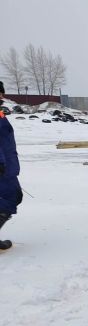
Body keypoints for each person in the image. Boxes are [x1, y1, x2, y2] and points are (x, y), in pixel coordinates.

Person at [0, 81, 22, 250]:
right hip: (3, 167)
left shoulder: (0, 113)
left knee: (12, 197)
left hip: (7, 165)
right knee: (10, 198)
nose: (2, 96)